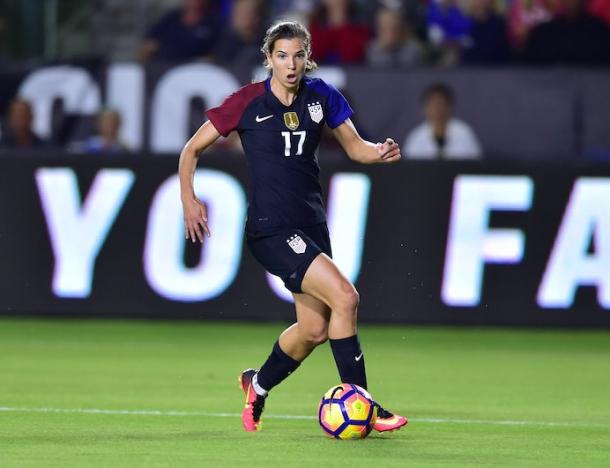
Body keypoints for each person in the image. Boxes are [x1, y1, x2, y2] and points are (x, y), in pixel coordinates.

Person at [179, 21, 408, 433]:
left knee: (314, 329)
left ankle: (258, 384)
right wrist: (189, 199)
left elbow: (356, 148)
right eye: (281, 56)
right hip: (271, 228)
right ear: (268, 59)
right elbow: (191, 149)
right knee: (345, 296)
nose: (290, 64)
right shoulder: (247, 101)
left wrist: (379, 153)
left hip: (311, 224)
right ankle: (366, 408)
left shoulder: (321, 96)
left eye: (298, 55)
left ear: (308, 57)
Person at [403, 83, 482, 160]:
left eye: (440, 104)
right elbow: (408, 168)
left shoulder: (465, 133)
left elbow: (475, 165)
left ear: (449, 107)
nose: (437, 110)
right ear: (425, 109)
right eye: (432, 105)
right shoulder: (416, 136)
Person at [139, 0, 221, 63]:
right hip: (163, 68)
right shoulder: (171, 18)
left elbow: (216, 54)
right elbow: (148, 45)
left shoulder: (212, 23)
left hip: (195, 71)